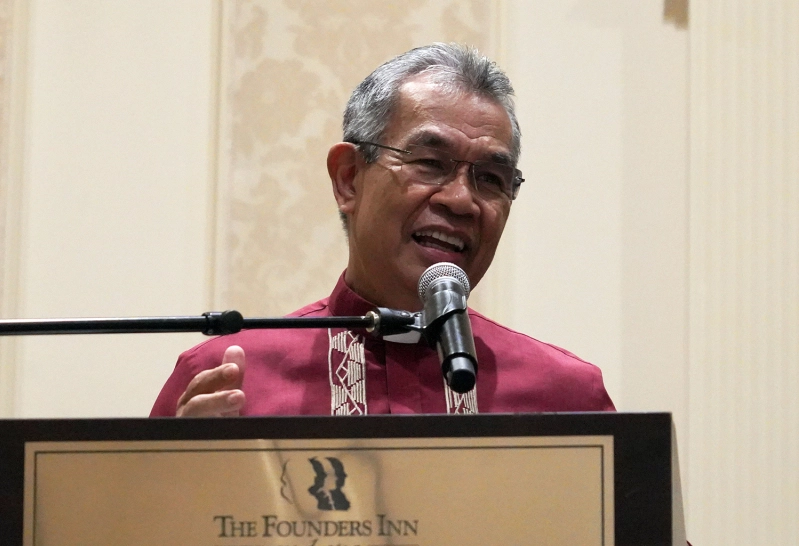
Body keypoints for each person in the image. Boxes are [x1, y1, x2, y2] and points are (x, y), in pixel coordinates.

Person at [150, 43, 615, 418]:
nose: (460, 200)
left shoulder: (567, 399)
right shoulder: (224, 380)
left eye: (491, 178)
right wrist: (192, 484)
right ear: (349, 178)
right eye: (430, 163)